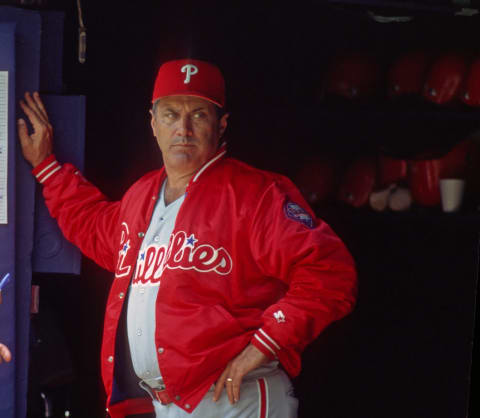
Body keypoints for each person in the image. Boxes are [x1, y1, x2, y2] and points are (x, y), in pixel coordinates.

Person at [18, 58, 357, 418]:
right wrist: (47, 169)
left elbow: (330, 272)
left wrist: (265, 343)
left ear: (221, 125)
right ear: (152, 123)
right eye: (170, 114)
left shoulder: (255, 195)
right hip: (167, 405)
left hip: (235, 400)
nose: (183, 128)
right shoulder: (142, 195)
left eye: (198, 115)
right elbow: (94, 227)